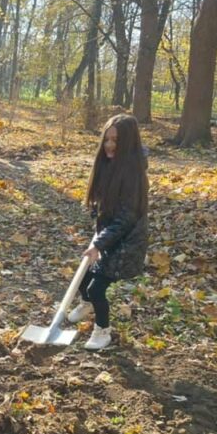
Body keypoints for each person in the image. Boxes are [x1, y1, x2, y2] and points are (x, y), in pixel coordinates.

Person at [67, 114, 149, 350]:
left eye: (116, 141)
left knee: (96, 288)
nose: (110, 145)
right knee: (83, 275)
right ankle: (86, 303)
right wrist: (97, 216)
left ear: (128, 143)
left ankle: (103, 331)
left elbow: (125, 219)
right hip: (109, 237)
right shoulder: (108, 165)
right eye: (107, 139)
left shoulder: (134, 176)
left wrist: (98, 244)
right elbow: (103, 205)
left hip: (126, 244)